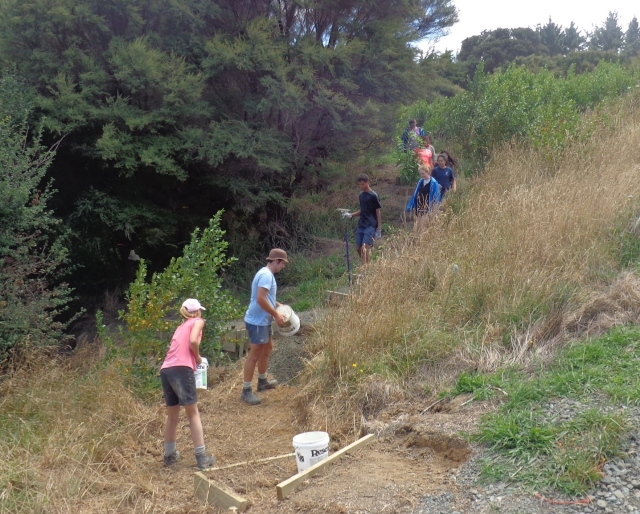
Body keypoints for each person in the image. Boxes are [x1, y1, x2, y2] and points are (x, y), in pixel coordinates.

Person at [160, 298, 216, 470]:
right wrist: (197, 358)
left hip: (166, 369)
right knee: (193, 413)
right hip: (182, 369)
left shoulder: (180, 326)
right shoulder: (198, 321)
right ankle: (201, 457)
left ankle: (169, 455)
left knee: (172, 415)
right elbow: (193, 341)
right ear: (197, 312)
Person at [242, 249, 288, 405]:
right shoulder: (266, 276)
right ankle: (246, 391)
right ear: (277, 261)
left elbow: (266, 297)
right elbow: (260, 299)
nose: (283, 267)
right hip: (257, 321)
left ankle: (262, 381)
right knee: (255, 354)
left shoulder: (265, 274)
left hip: (263, 320)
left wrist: (277, 304)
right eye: (283, 263)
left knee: (267, 348)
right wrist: (276, 314)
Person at [344, 174, 382, 265]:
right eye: (359, 185)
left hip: (371, 224)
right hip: (362, 224)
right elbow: (362, 210)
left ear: (367, 182)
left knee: (365, 247)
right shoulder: (361, 195)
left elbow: (378, 211)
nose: (361, 186)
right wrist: (351, 215)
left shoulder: (373, 195)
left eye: (362, 184)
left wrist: (379, 228)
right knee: (358, 248)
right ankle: (365, 263)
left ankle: (365, 267)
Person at [406, 166, 441, 231]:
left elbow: (436, 197)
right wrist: (410, 205)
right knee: (418, 226)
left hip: (427, 207)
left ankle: (423, 236)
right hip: (419, 206)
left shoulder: (434, 183)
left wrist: (435, 208)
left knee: (423, 226)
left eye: (423, 173)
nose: (422, 175)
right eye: (420, 174)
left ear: (428, 173)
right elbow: (415, 194)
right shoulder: (420, 181)